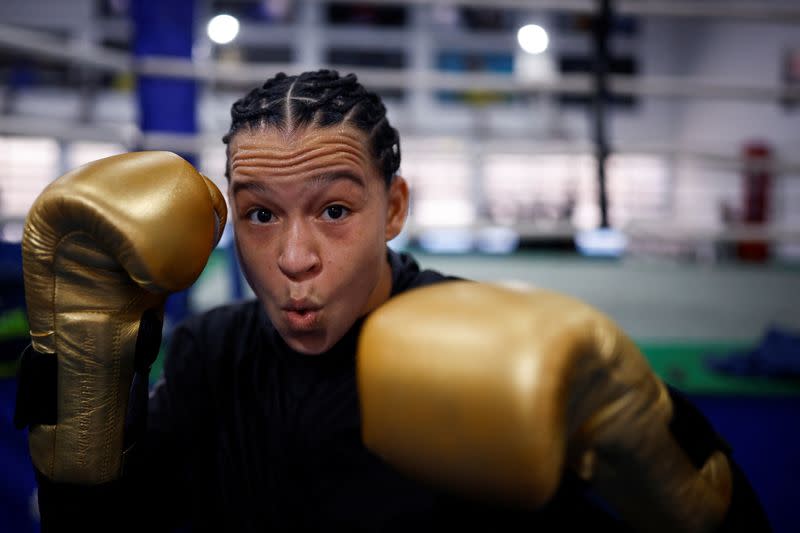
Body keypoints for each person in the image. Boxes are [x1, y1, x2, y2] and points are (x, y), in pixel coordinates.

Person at [14, 70, 770, 533]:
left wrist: (656, 454)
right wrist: (86, 355)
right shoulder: (213, 354)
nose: (295, 258)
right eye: (260, 213)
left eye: (335, 210)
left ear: (395, 207)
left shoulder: (490, 348)